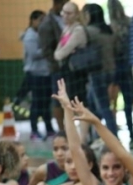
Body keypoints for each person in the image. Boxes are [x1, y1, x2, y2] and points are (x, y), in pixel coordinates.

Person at [83, 3, 117, 136]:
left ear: (90, 15)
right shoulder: (109, 30)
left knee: (103, 107)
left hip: (97, 73)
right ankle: (95, 135)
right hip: (111, 71)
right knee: (92, 103)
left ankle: (112, 136)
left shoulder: (89, 31)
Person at [108, 0, 133, 148]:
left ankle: (126, 136)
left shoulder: (109, 29)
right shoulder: (130, 24)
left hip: (116, 70)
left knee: (113, 103)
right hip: (132, 66)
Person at [23, 10, 56, 140]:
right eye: (40, 20)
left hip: (45, 73)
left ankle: (49, 129)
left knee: (46, 102)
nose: (43, 23)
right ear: (33, 20)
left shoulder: (41, 34)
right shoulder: (30, 36)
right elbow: (34, 54)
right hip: (35, 74)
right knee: (36, 103)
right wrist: (49, 50)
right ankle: (34, 130)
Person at [39, 0, 68, 133]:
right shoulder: (46, 24)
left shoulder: (67, 19)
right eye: (64, 4)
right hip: (57, 68)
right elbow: (46, 50)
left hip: (71, 68)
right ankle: (62, 130)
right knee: (58, 100)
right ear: (57, 4)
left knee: (71, 98)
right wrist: (57, 62)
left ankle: (70, 128)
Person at [54, 1, 88, 107]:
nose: (65, 16)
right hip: (67, 71)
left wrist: (61, 53)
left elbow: (61, 53)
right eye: (64, 12)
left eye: (69, 13)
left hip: (77, 72)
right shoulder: (66, 29)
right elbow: (57, 53)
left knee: (79, 103)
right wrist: (61, 53)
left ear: (77, 15)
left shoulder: (78, 30)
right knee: (68, 103)